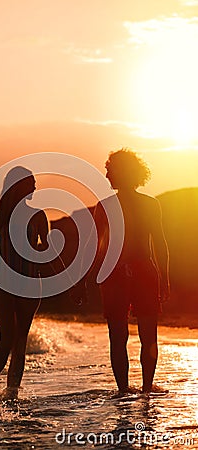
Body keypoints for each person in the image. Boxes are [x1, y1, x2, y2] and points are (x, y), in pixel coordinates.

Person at [89, 149, 170, 395]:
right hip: (145, 271)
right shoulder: (149, 203)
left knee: (118, 336)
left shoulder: (104, 207)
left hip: (115, 274)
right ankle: (146, 388)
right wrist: (164, 279)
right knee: (148, 335)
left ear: (121, 172)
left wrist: (89, 279)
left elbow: (98, 249)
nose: (106, 175)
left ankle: (123, 390)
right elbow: (161, 245)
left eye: (109, 170)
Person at [0, 166, 49, 400]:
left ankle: (12, 392)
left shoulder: (38, 215)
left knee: (20, 340)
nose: (35, 186)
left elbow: (47, 250)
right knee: (6, 340)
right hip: (3, 283)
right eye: (31, 182)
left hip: (29, 284)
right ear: (18, 185)